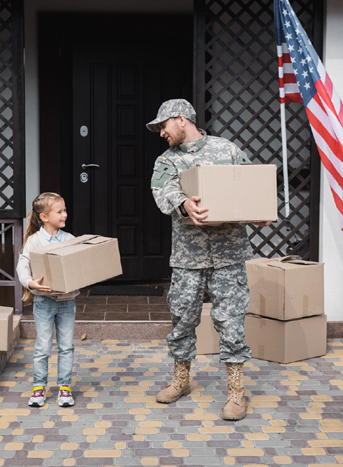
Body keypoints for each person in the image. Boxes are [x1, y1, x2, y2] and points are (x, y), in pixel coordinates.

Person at [147, 99, 271, 420]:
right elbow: (163, 193)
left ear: (181, 119)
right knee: (183, 318)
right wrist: (185, 203)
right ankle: (181, 380)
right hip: (188, 257)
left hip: (229, 254)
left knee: (230, 321)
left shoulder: (227, 149)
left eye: (164, 126)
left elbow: (250, 186)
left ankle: (235, 392)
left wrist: (259, 212)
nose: (162, 132)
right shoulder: (167, 161)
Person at [17, 192, 79, 408]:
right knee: (43, 347)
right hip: (43, 303)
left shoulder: (70, 239)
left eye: (65, 210)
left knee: (66, 346)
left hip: (67, 301)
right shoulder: (34, 241)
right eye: (59, 211)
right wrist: (30, 282)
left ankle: (64, 387)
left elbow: (78, 266)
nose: (65, 214)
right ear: (44, 217)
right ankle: (38, 388)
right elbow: (23, 264)